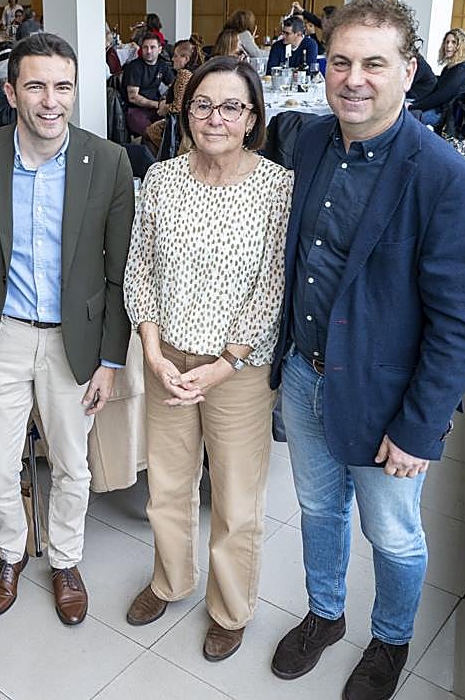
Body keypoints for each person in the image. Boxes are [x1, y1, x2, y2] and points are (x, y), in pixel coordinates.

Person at [267, 0, 465, 700]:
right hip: (306, 378)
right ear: (323, 67)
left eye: (374, 63)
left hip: (389, 398)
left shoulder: (448, 181)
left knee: (394, 536)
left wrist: (419, 427)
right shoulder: (306, 141)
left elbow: (462, 323)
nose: (354, 78)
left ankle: (391, 639)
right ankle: (326, 614)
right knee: (318, 509)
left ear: (409, 70)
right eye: (340, 62)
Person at [0, 33, 134, 626]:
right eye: (35, 85)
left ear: (77, 91)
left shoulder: (107, 161)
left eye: (63, 86)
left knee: (72, 464)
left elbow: (118, 272)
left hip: (72, 341)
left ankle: (65, 560)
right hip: (0, 334)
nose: (50, 100)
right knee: (0, 464)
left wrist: (111, 359)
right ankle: (9, 552)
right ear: (10, 92)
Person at [123, 56, 292, 660]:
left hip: (238, 371)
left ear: (252, 118)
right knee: (167, 485)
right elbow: (139, 266)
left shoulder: (278, 187)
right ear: (186, 111)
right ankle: (170, 580)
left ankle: (230, 606)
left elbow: (273, 287)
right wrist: (150, 350)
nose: (213, 118)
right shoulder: (162, 179)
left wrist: (224, 363)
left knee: (236, 496)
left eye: (230, 107)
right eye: (201, 105)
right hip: (166, 356)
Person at [411, 28, 465, 127]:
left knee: (409, 119)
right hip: (441, 111)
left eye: (454, 42)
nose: (448, 46)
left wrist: (413, 106)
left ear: (462, 46)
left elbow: (441, 96)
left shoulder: (463, 69)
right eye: (447, 42)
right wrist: (415, 104)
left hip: (450, 117)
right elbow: (436, 91)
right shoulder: (449, 68)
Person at [124, 32, 176, 136]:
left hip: (155, 109)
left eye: (152, 47)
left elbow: (173, 86)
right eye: (145, 47)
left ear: (160, 49)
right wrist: (158, 104)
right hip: (135, 110)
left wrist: (166, 101)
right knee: (152, 134)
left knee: (172, 129)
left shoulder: (163, 65)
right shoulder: (134, 67)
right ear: (141, 49)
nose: (148, 51)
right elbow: (133, 97)